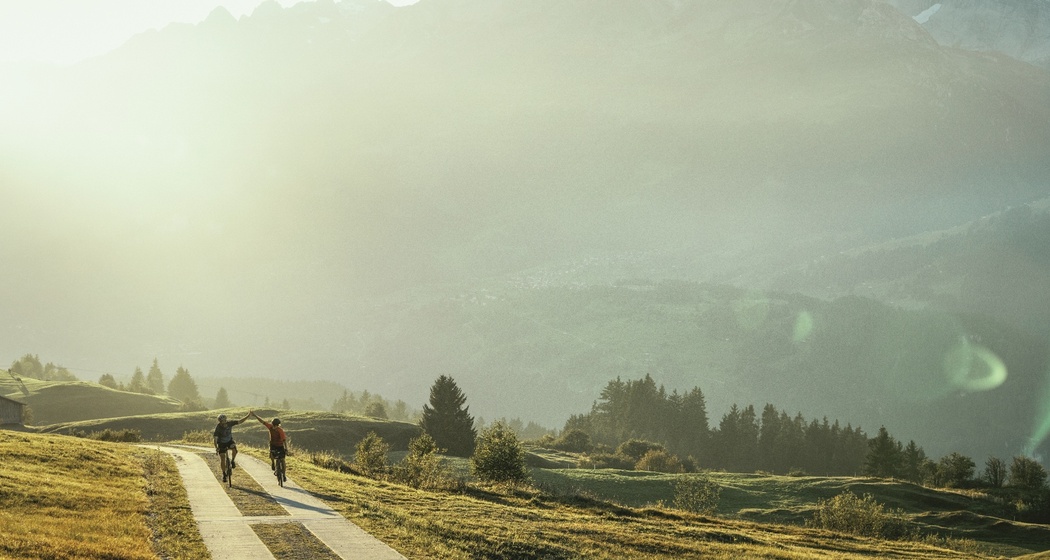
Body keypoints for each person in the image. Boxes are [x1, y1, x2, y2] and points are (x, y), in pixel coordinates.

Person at [213, 411, 251, 481]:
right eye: (222, 421)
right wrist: (216, 448)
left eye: (225, 421)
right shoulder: (218, 428)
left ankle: (232, 461)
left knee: (235, 450)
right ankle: (224, 474)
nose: (224, 423)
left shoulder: (229, 423)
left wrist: (248, 415)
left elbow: (240, 421)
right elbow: (215, 439)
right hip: (221, 443)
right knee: (222, 458)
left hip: (229, 441)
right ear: (220, 422)